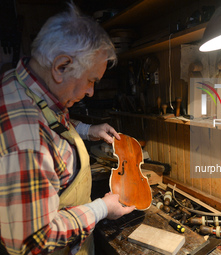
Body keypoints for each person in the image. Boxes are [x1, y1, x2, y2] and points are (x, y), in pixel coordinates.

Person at [0, 2, 135, 255]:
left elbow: (50, 118)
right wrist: (102, 208)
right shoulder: (27, 140)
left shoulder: (23, 83)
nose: (91, 92)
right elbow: (31, 241)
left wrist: (87, 130)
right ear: (61, 66)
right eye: (91, 80)